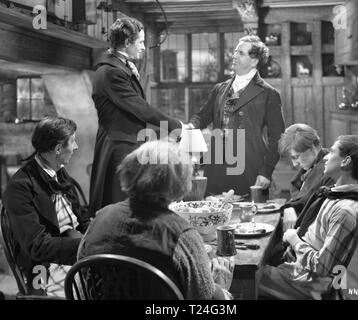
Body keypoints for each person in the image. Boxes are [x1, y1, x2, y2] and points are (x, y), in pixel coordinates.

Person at [78, 140, 234, 299]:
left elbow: (82, 278)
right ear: (179, 182)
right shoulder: (182, 234)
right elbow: (202, 300)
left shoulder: (101, 217)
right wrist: (220, 289)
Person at [258, 135, 358, 299]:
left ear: (346, 162)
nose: (327, 156)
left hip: (308, 283)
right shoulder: (336, 194)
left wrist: (294, 240)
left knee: (243, 277)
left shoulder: (346, 211)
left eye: (332, 151)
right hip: (299, 268)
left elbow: (322, 267)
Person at [89, 16, 183, 217]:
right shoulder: (111, 72)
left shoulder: (119, 66)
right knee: (119, 208)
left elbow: (133, 114)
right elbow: (140, 108)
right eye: (140, 41)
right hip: (118, 148)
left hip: (126, 142)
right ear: (126, 43)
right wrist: (176, 126)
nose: (143, 46)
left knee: (130, 207)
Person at [2, 117, 90, 297]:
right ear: (58, 148)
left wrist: (97, 235)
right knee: (105, 286)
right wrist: (86, 245)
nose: (76, 147)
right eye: (73, 141)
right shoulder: (20, 187)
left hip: (76, 255)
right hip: (44, 270)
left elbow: (80, 217)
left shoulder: (58, 169)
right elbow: (37, 246)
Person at [188, 35, 285, 196]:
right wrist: (190, 126)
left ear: (254, 61)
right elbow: (202, 116)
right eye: (235, 51)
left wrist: (266, 171)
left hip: (249, 164)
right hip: (217, 163)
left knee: (250, 215)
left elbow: (277, 137)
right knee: (213, 210)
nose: (234, 55)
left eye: (240, 53)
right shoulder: (220, 88)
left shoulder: (269, 93)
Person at [278, 123, 334, 232]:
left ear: (312, 148)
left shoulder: (324, 167)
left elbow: (304, 201)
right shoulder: (314, 165)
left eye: (296, 157)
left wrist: (290, 207)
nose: (294, 164)